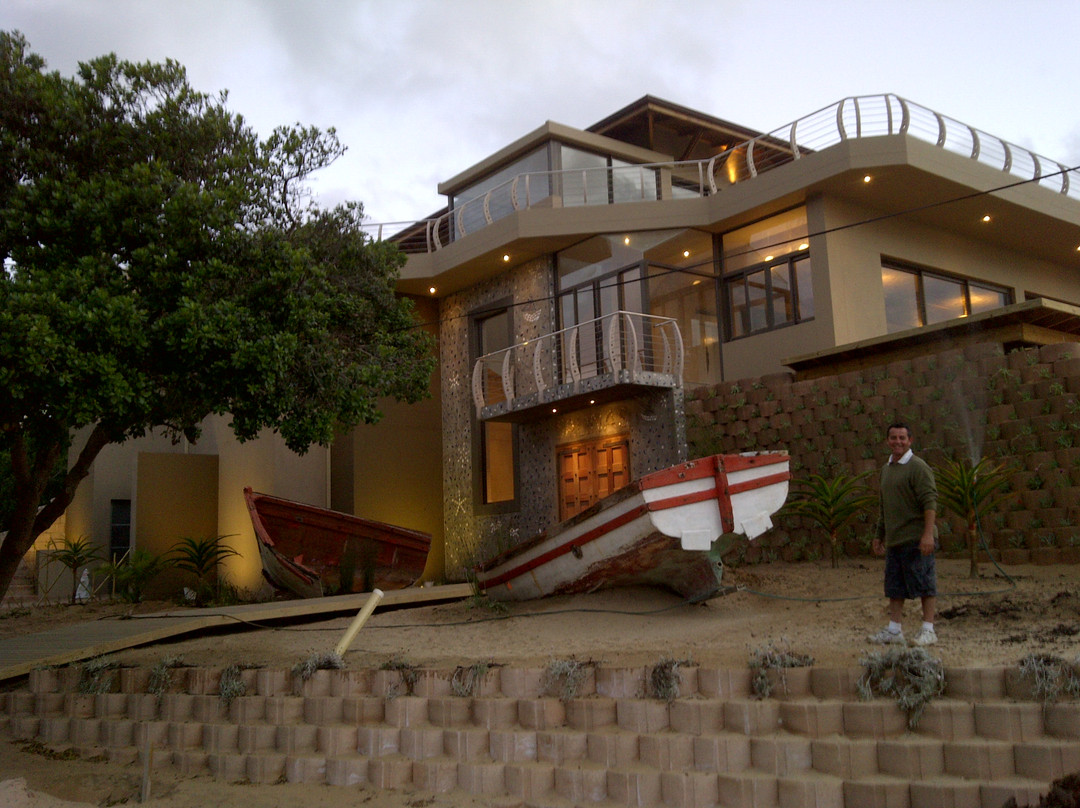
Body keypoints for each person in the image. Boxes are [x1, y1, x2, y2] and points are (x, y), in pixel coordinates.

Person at [868, 422, 939, 646]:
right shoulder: (886, 470)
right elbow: (884, 506)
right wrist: (879, 534)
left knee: (925, 583)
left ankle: (928, 630)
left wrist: (927, 535)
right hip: (895, 540)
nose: (897, 442)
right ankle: (894, 630)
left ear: (910, 441)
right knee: (895, 586)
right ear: (887, 441)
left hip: (917, 539)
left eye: (902, 438)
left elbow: (930, 501)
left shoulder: (918, 467)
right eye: (893, 438)